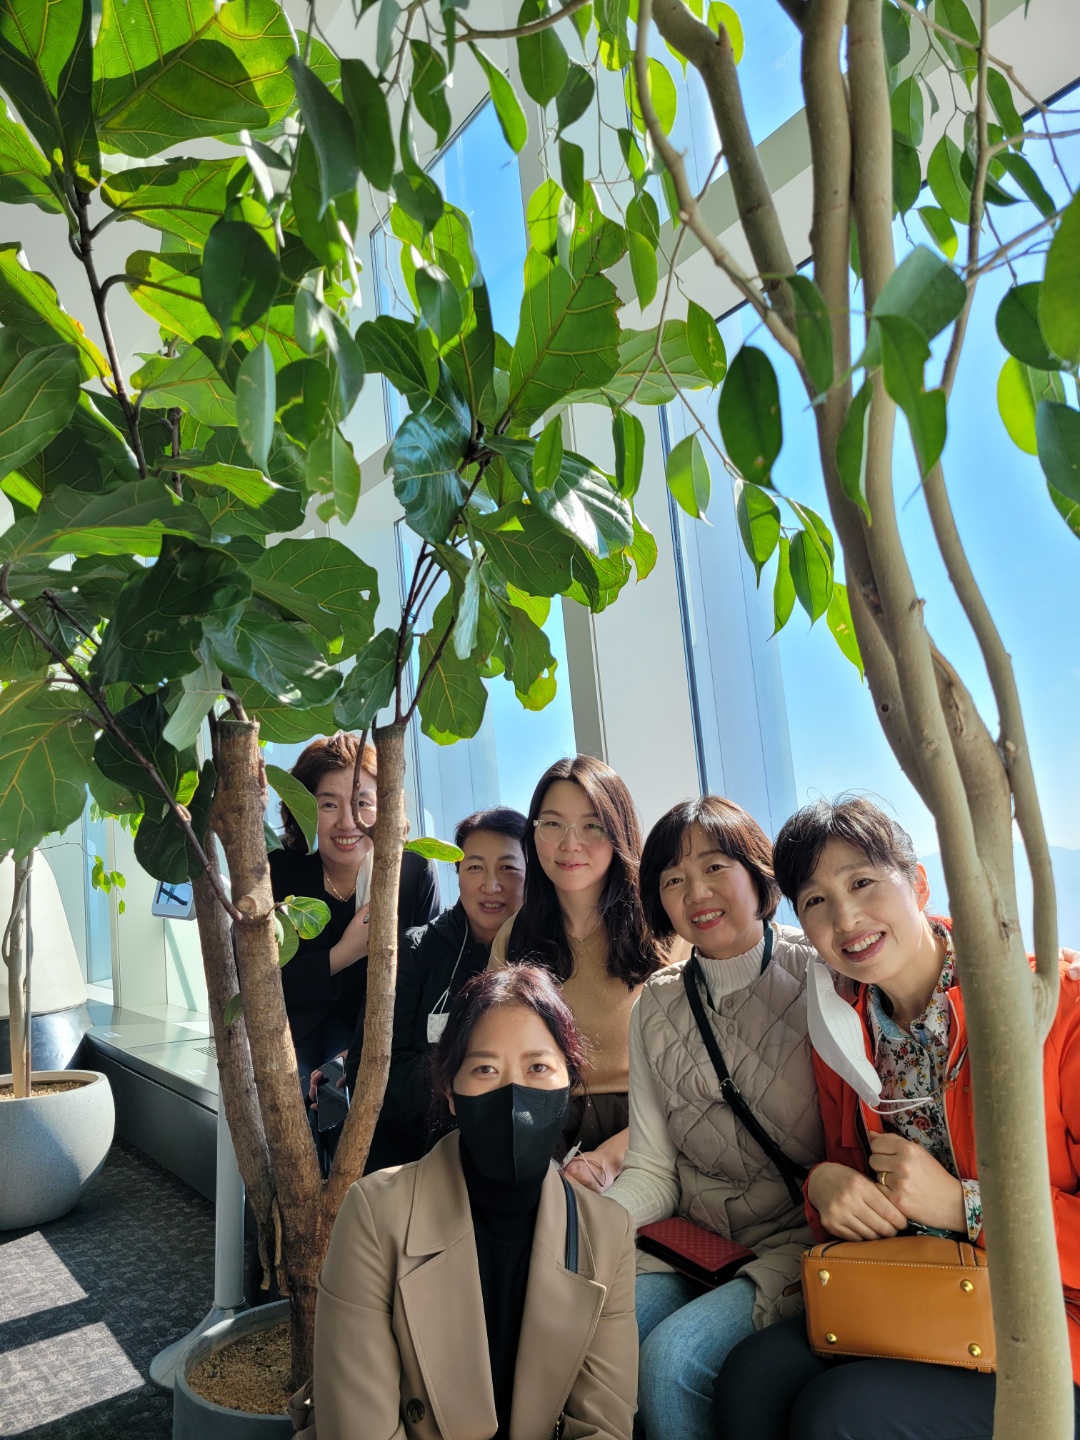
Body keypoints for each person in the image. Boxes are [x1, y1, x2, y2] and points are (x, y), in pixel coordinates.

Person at [714, 795, 1080, 1440]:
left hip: (1050, 1325)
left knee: (840, 1414)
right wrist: (825, 1187)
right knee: (749, 1378)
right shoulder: (842, 1030)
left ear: (919, 883)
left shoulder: (1054, 1007)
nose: (845, 917)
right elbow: (856, 1192)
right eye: (815, 900)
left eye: (862, 882)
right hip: (916, 1291)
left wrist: (967, 1207)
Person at [311, 965, 639, 1440]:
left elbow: (602, 1425)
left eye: (538, 1067)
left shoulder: (607, 1233)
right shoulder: (375, 1214)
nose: (514, 1095)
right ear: (449, 1091)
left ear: (569, 1081)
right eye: (485, 1069)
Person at [605, 797, 824, 1440]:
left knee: (671, 1361)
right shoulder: (655, 1005)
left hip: (799, 1242)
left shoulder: (822, 975)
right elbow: (653, 1169)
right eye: (672, 879)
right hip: (695, 1242)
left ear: (758, 874)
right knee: (601, 1328)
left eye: (715, 866)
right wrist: (588, 1226)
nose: (695, 892)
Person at [490, 755, 671, 1193]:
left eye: (593, 826)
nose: (570, 844)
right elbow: (498, 1052)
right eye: (552, 824)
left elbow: (692, 1082)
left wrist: (610, 1157)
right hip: (546, 1123)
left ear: (620, 832)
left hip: (653, 1128)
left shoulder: (664, 927)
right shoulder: (514, 936)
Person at [345, 805, 528, 1171]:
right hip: (416, 1156)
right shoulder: (414, 951)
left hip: (519, 1147)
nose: (491, 885)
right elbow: (370, 1066)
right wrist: (471, 1084)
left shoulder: (547, 955)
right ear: (457, 874)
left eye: (508, 868)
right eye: (474, 867)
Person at [269, 732, 439, 1095]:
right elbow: (261, 981)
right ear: (302, 809)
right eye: (329, 805)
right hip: (288, 1028)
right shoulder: (277, 869)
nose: (349, 822)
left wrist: (364, 1051)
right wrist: (343, 954)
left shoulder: (412, 873)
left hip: (375, 1034)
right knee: (290, 1098)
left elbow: (428, 981)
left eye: (363, 803)